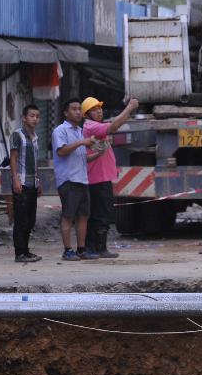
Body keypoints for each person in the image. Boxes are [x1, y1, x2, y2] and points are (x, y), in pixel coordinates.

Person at [81, 95, 139, 259]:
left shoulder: (94, 126)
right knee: (100, 213)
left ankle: (98, 247)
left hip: (101, 178)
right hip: (97, 179)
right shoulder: (91, 126)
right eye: (94, 110)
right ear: (87, 114)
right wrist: (129, 108)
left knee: (102, 213)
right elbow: (114, 126)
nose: (99, 112)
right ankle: (95, 247)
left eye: (99, 109)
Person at [52, 98, 96, 261]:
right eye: (74, 109)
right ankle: (67, 250)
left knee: (83, 216)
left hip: (82, 179)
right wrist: (81, 142)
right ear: (66, 112)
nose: (78, 112)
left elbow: (82, 158)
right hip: (68, 179)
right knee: (68, 216)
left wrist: (98, 153)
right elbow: (62, 152)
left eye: (79, 109)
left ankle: (81, 249)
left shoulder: (79, 131)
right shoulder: (60, 130)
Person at [9, 104, 42, 263]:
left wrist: (38, 180)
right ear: (24, 118)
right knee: (21, 220)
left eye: (37, 116)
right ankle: (19, 253)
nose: (35, 119)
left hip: (32, 184)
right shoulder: (17, 135)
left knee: (30, 220)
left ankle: (26, 251)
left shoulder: (35, 137)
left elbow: (35, 161)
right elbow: (13, 158)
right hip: (21, 183)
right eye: (31, 116)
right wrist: (15, 179)